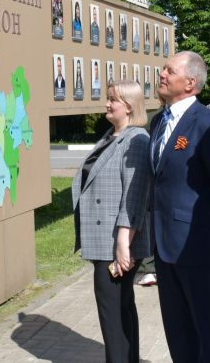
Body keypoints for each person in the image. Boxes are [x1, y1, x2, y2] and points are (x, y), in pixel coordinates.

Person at [149, 51, 210, 362]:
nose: (162, 74)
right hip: (164, 244)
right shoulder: (158, 120)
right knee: (176, 327)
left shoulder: (208, 125)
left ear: (190, 83)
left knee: (206, 326)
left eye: (169, 70)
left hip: (197, 244)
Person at [72, 80, 152, 362]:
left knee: (114, 313)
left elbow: (135, 197)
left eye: (112, 100)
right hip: (106, 239)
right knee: (119, 310)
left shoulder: (137, 140)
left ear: (129, 106)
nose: (106, 104)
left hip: (116, 244)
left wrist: (122, 245)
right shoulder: (111, 136)